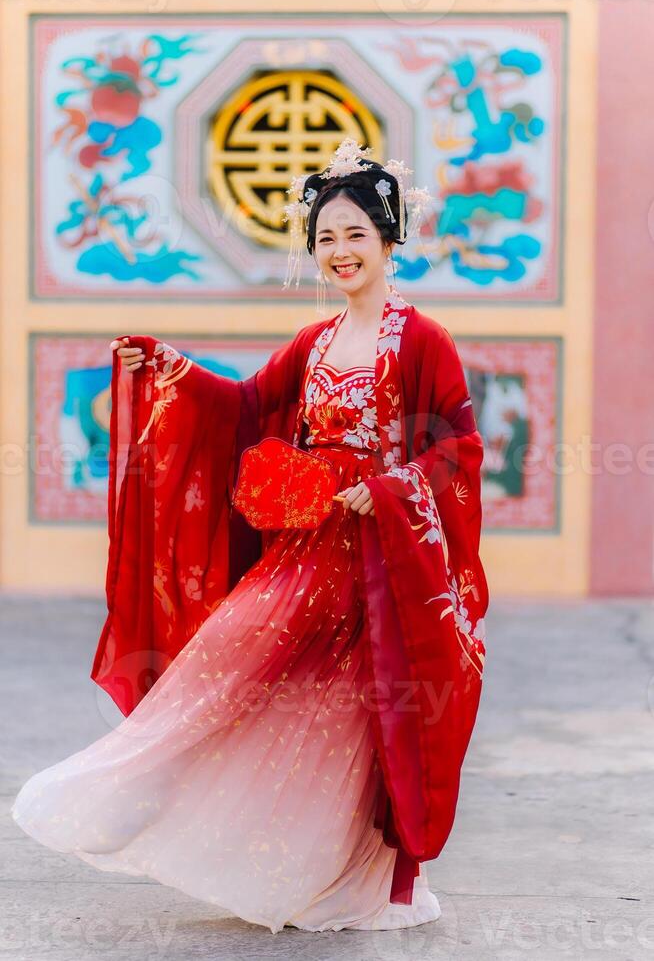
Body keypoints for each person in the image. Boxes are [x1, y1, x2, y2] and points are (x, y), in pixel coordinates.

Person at [11, 138, 489, 933]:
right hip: (303, 556)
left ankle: (347, 883)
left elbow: (460, 449)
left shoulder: (423, 340)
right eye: (326, 238)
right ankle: (115, 792)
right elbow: (244, 409)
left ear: (389, 240)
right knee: (220, 671)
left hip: (377, 565)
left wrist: (389, 487)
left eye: (355, 237)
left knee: (348, 724)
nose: (339, 252)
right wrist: (171, 369)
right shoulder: (316, 342)